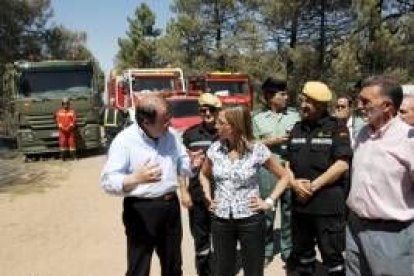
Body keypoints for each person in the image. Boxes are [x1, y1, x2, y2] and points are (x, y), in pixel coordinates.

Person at [100, 95, 202, 276]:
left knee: (173, 266)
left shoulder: (170, 136)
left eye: (169, 118)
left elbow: (181, 164)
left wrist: (192, 165)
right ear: (146, 122)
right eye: (164, 121)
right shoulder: (124, 141)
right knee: (139, 267)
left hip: (170, 208)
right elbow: (108, 181)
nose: (169, 125)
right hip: (141, 211)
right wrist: (135, 178)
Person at [199, 105, 290, 276]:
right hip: (221, 220)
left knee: (253, 270)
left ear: (234, 126)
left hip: (251, 220)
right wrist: (207, 198)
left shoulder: (257, 150)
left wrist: (268, 201)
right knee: (222, 270)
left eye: (221, 123)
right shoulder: (214, 149)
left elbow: (284, 176)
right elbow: (203, 175)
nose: (216, 126)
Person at [346, 75, 414, 276]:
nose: (359, 105)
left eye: (365, 101)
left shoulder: (408, 140)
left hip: (392, 235)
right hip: (354, 228)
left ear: (387, 106)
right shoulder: (361, 134)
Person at [286, 81, 352, 276]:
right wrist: (293, 183)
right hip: (301, 205)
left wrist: (312, 187)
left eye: (308, 102)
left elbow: (342, 164)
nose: (303, 105)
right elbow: (288, 164)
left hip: (327, 207)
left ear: (322, 105)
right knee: (303, 256)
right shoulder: (297, 128)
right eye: (303, 100)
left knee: (332, 258)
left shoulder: (337, 128)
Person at [252, 77, 300, 267]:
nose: (286, 97)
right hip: (267, 171)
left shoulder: (295, 116)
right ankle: (266, 250)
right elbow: (249, 143)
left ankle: (288, 251)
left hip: (290, 168)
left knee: (290, 212)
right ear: (270, 96)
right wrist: (272, 141)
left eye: (286, 93)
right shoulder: (257, 118)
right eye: (282, 94)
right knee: (267, 211)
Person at [181, 93, 222, 276]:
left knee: (222, 237)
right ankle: (203, 272)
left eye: (211, 110)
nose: (207, 113)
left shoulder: (226, 133)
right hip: (197, 194)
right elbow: (180, 165)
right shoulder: (190, 134)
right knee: (200, 238)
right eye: (203, 110)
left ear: (218, 111)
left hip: (223, 195)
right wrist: (184, 191)